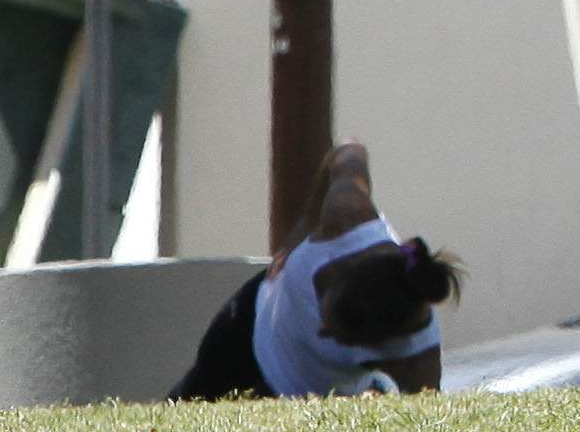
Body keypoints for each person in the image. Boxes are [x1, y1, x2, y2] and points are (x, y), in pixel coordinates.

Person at [170, 141, 459, 399]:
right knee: (183, 406)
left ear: (385, 345)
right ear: (345, 274)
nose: (320, 328)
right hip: (250, 324)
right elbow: (349, 152)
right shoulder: (348, 217)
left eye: (339, 337)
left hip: (295, 398)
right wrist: (305, 224)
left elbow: (425, 424)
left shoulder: (417, 359)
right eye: (327, 313)